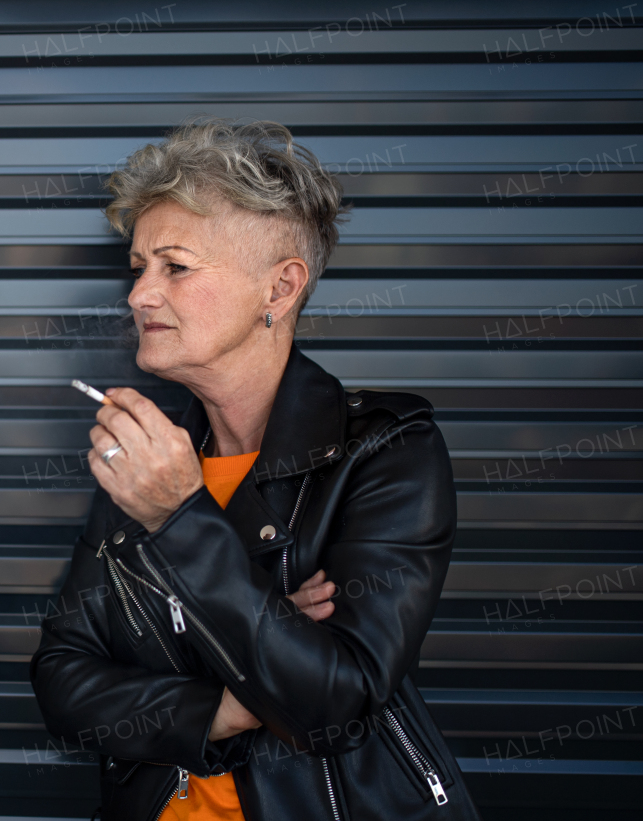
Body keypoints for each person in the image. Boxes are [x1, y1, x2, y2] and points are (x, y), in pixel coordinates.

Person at [30, 119, 481, 821]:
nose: (138, 295)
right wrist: (236, 701)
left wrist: (179, 519)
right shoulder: (156, 455)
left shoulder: (385, 449)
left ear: (279, 289)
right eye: (139, 268)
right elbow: (63, 685)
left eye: (174, 267)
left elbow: (331, 705)